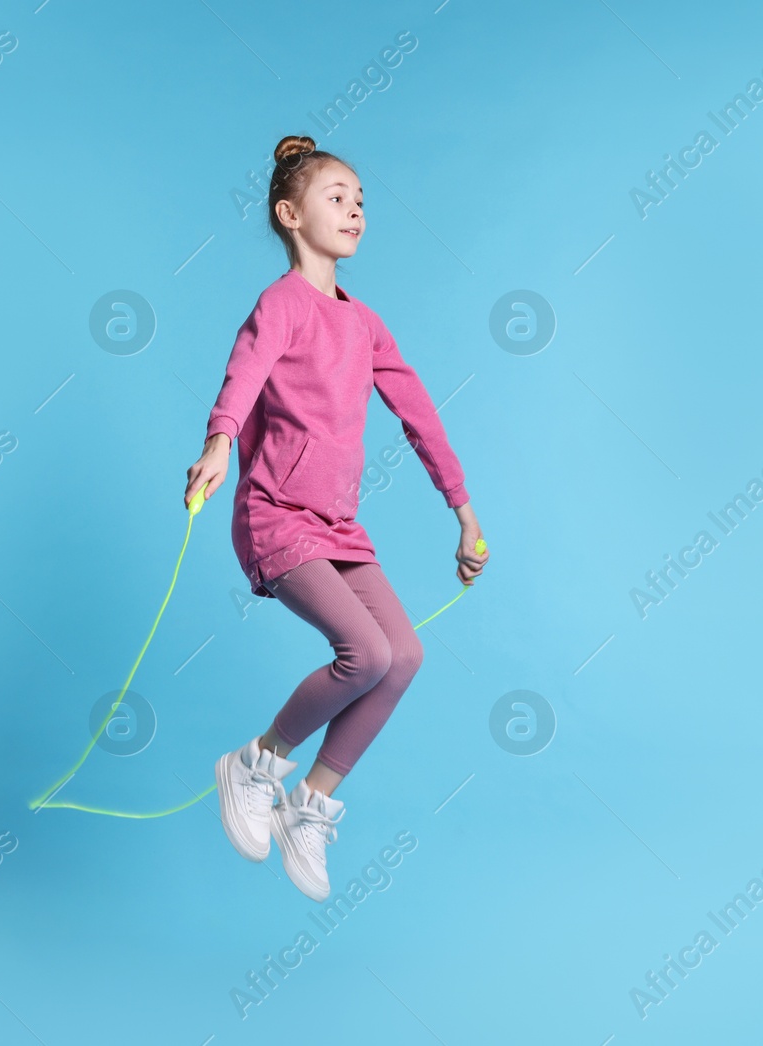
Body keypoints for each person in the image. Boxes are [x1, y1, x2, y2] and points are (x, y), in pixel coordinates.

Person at [184, 134, 488, 901]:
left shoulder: (367, 324)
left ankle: (310, 805)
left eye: (360, 200)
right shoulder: (281, 304)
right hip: (275, 514)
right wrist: (220, 444)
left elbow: (420, 415)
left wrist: (463, 511)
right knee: (364, 651)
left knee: (405, 656)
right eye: (335, 196)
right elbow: (244, 372)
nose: (354, 209)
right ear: (290, 214)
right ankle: (256, 764)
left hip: (337, 526)